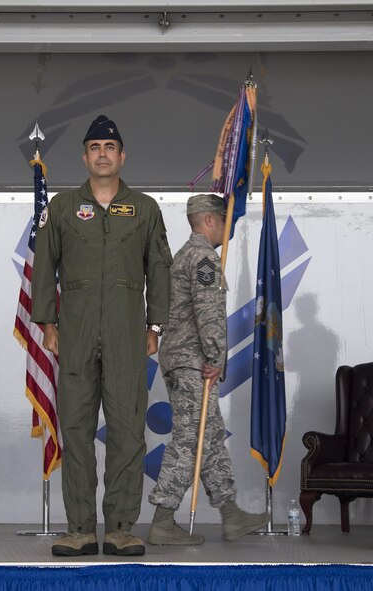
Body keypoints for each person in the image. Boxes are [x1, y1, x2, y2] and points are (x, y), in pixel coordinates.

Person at [31, 115, 172, 557]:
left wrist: (155, 326)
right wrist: (48, 323)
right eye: (94, 146)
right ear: (85, 156)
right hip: (74, 333)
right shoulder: (63, 207)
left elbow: (159, 269)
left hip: (128, 334)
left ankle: (121, 528)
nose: (103, 153)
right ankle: (78, 528)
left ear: (122, 155)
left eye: (110, 147)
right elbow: (44, 265)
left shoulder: (145, 208)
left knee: (128, 431)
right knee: (74, 429)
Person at [147, 194, 269, 546]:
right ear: (210, 220)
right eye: (224, 220)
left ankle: (230, 514)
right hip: (194, 362)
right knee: (190, 440)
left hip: (182, 359)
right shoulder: (203, 257)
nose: (227, 228)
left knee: (209, 437)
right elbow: (208, 312)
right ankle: (163, 520)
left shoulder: (185, 254)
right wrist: (215, 357)